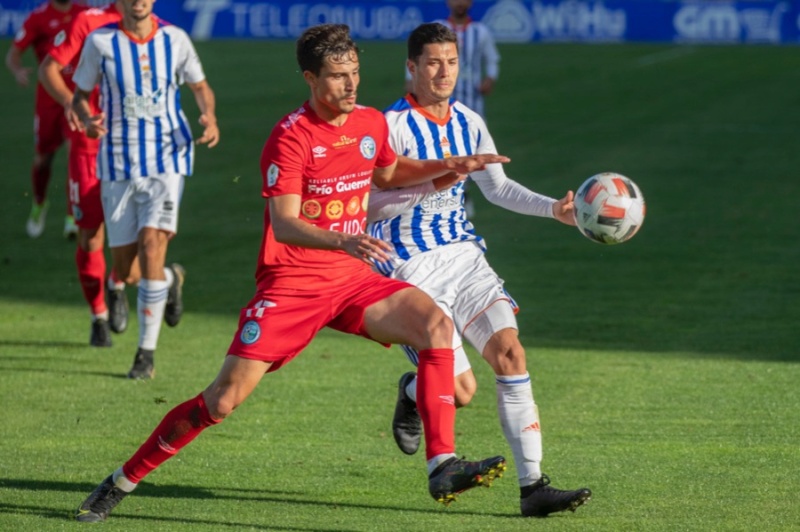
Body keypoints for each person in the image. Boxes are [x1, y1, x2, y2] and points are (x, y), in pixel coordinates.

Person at [74, 23, 511, 523]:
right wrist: (344, 238)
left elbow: (387, 173)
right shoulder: (290, 138)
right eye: (338, 77)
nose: (351, 86)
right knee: (221, 401)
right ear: (310, 78)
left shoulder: (370, 123)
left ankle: (442, 465)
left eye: (355, 74)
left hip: (350, 278)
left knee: (435, 324)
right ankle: (122, 480)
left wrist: (448, 165)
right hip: (294, 284)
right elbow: (285, 223)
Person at [367, 22, 592, 518]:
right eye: (432, 62)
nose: (444, 71)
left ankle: (532, 487)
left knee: (511, 353)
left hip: (465, 258)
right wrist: (439, 176)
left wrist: (553, 208)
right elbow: (370, 203)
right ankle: (412, 391)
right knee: (461, 392)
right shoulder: (389, 127)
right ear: (411, 67)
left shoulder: (469, 119)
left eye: (451, 61)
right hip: (409, 268)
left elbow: (498, 187)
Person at [70, 0, 216, 379]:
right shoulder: (100, 43)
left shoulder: (175, 39)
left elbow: (200, 86)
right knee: (127, 271)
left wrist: (209, 115)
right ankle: (170, 279)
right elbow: (79, 96)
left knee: (152, 243)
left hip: (167, 156)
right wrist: (86, 119)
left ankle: (145, 355)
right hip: (117, 160)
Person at [37, 0, 132, 347]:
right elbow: (49, 67)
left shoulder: (158, 29)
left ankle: (118, 283)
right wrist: (70, 103)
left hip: (134, 150)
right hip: (90, 147)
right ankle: (98, 315)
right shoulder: (88, 21)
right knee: (91, 237)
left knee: (135, 232)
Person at [5, 0, 83, 239]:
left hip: (79, 97)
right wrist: (17, 70)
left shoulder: (83, 14)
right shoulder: (38, 17)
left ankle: (73, 214)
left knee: (76, 154)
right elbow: (13, 54)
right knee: (42, 160)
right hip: (49, 100)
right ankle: (39, 203)